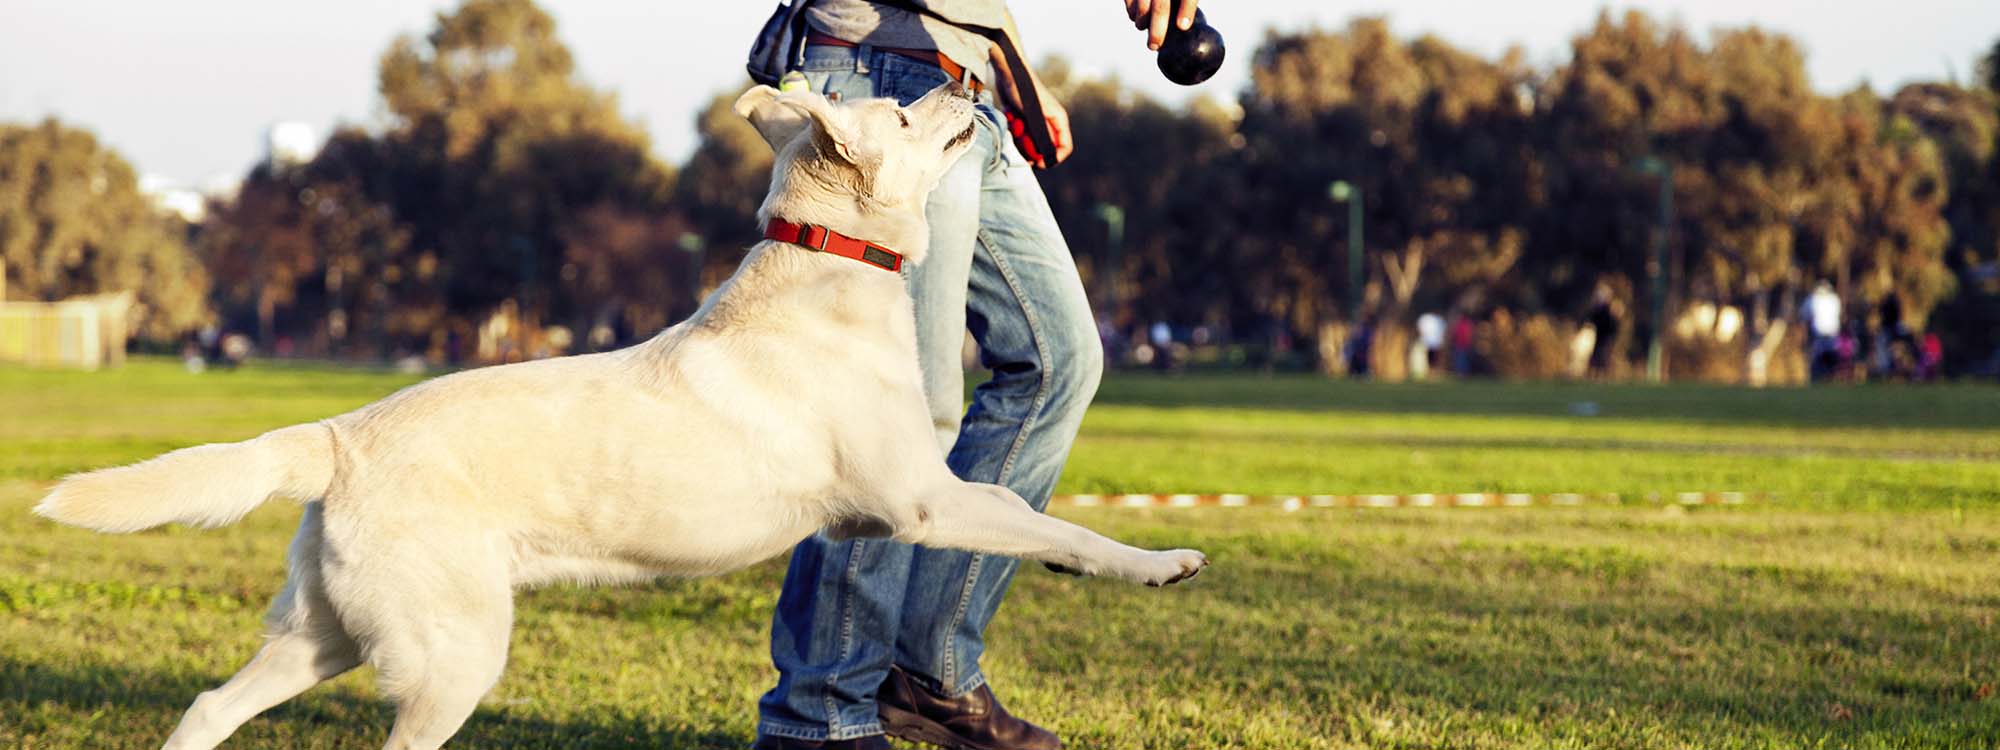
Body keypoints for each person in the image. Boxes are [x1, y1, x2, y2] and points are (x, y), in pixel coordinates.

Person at [749, 2, 1203, 749]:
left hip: (967, 97)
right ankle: (818, 712)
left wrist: (1009, 60)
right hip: (879, 96)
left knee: (1058, 361)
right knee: (897, 426)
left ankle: (926, 673)